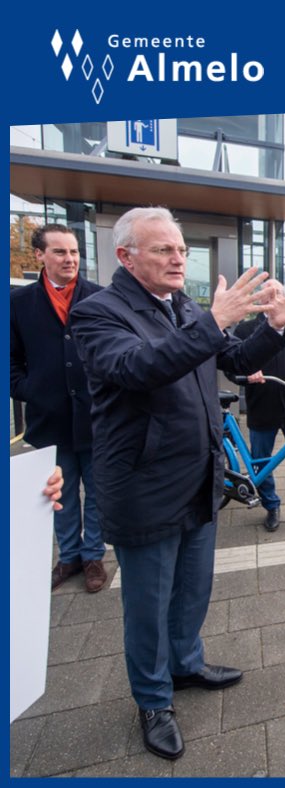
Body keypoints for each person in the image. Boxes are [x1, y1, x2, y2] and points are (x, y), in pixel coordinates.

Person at [70, 207, 285, 761]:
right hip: (144, 484)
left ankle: (186, 663)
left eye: (180, 249)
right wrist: (214, 320)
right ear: (126, 257)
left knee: (193, 588)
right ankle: (153, 700)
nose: (178, 258)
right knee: (148, 603)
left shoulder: (181, 305)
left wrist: (274, 326)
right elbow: (140, 367)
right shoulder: (98, 314)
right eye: (163, 250)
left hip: (198, 477)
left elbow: (232, 359)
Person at [10, 224, 108, 593]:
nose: (70, 259)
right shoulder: (18, 304)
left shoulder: (99, 298)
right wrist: (29, 390)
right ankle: (68, 557)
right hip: (49, 418)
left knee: (98, 492)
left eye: (74, 253)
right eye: (60, 252)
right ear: (40, 256)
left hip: (95, 417)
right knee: (60, 495)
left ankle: (93, 556)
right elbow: (11, 360)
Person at [229, 280, 285, 531]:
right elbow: (232, 366)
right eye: (269, 295)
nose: (275, 299)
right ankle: (271, 505)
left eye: (279, 293)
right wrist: (247, 374)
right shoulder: (245, 330)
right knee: (261, 460)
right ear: (260, 301)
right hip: (262, 405)